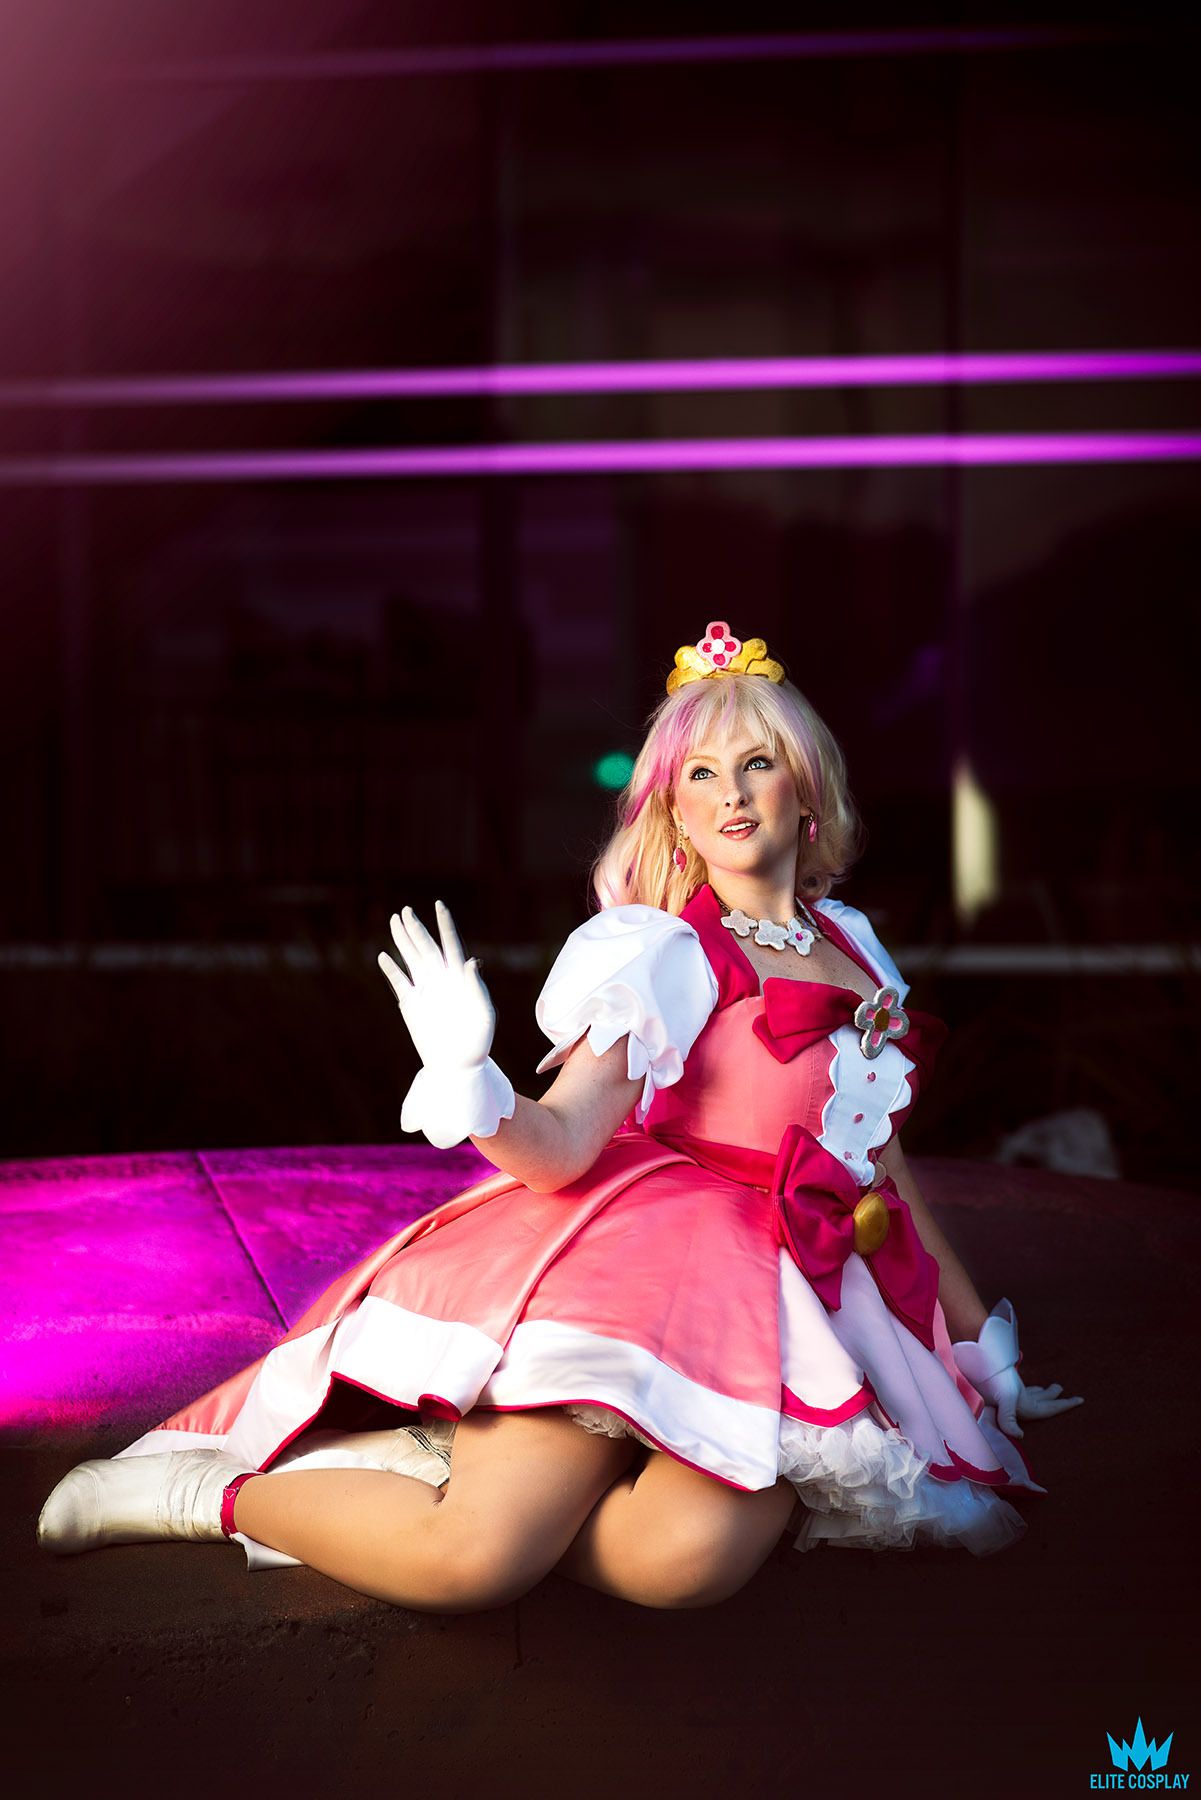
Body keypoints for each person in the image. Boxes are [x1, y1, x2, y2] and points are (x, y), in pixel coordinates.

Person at [38, 622, 1081, 1610]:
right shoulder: (669, 955)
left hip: (800, 1298)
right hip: (656, 1270)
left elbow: (878, 1167)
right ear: (672, 814)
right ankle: (210, 1496)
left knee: (687, 1562)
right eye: (700, 774)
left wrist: (972, 1344)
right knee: (475, 1561)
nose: (729, 793)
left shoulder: (854, 945)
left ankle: (430, 1463)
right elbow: (564, 1139)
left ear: (804, 788)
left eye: (755, 763)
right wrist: (474, 1083)